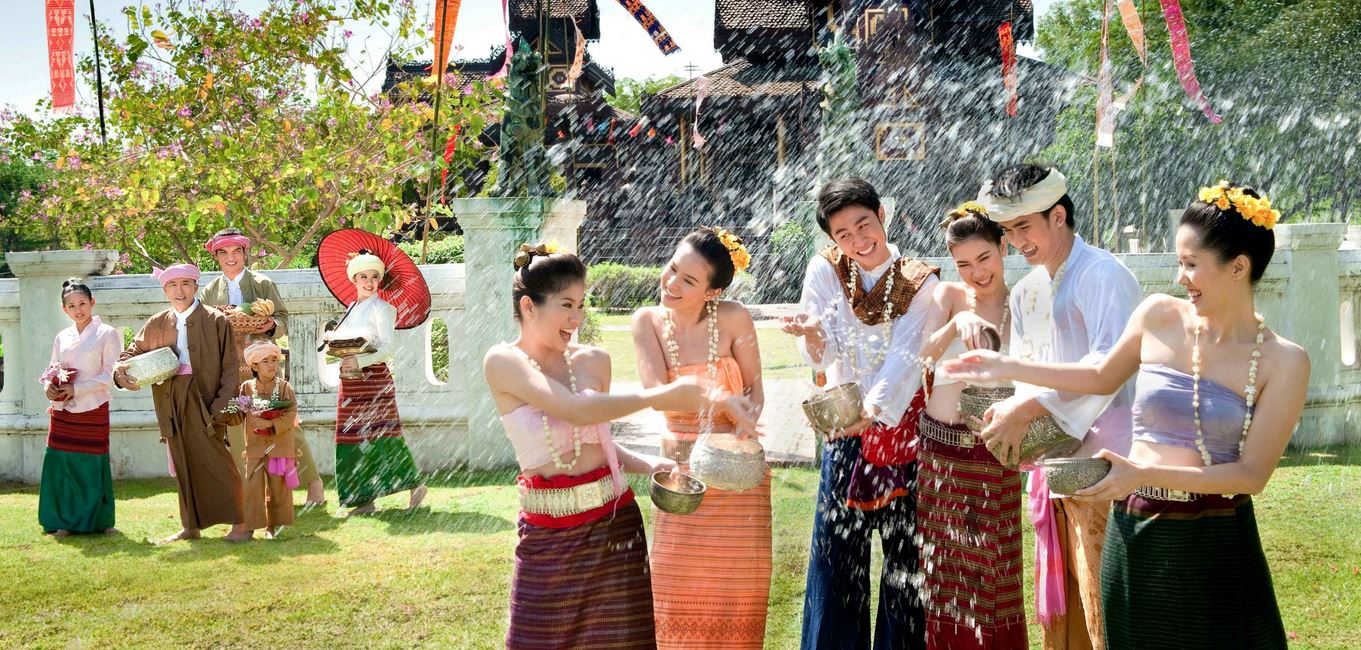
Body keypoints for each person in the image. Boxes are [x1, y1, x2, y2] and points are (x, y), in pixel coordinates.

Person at [943, 181, 1301, 648]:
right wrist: (1007, 367)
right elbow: (1099, 375)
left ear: (1238, 267)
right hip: (1135, 527)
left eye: (1192, 264)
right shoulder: (1159, 316)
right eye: (1179, 262)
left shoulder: (1283, 361)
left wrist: (1140, 472)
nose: (1180, 277)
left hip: (1217, 540)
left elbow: (1251, 475)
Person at [484, 243, 758, 650]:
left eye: (581, 305)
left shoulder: (594, 361)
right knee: (533, 640)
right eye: (566, 305)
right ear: (529, 306)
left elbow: (597, 441)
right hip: (547, 533)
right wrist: (663, 395)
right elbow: (574, 410)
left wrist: (650, 464)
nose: (577, 318)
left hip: (615, 525)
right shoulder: (504, 362)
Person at [972, 163, 1142, 649]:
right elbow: (1028, 373)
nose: (1016, 242)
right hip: (1057, 464)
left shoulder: (1103, 275)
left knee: (1108, 604)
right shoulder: (1026, 290)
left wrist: (1028, 409)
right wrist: (1007, 410)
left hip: (1110, 464)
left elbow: (1108, 370)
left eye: (1024, 227)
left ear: (1059, 216)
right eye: (1008, 231)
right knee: (1069, 609)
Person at [780, 177, 938, 650]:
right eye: (843, 234)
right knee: (835, 556)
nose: (857, 240)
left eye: (863, 224)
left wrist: (871, 414)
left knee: (905, 561)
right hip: (846, 427)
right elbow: (821, 351)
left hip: (901, 430)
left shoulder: (920, 280)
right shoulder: (826, 268)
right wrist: (810, 333)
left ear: (882, 215)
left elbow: (906, 359)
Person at [632, 227, 771, 649]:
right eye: (672, 268)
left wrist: (745, 422)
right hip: (682, 480)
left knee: (737, 599)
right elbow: (657, 395)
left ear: (713, 292)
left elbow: (756, 390)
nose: (671, 283)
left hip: (738, 476)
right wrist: (720, 400)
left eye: (688, 280)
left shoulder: (734, 317)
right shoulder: (647, 322)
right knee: (674, 592)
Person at [914, 203, 1026, 648]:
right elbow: (922, 355)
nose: (977, 273)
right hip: (941, 453)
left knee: (995, 572)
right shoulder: (948, 296)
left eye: (984, 258)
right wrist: (957, 323)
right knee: (945, 574)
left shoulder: (1024, 302)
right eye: (963, 264)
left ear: (1003, 247)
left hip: (997, 452)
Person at [114, 264, 249, 543]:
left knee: (217, 461)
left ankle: (242, 524)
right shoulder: (157, 322)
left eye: (186, 284)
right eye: (172, 285)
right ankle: (190, 526)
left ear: (196, 287)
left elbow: (230, 367)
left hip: (205, 399)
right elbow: (131, 353)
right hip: (169, 399)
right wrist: (119, 372)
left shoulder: (215, 319)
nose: (179, 290)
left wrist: (221, 407)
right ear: (165, 290)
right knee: (182, 461)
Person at [200, 227, 325, 506]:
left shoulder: (263, 283)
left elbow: (282, 320)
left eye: (236, 251)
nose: (230, 257)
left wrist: (270, 325)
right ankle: (252, 491)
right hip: (229, 372)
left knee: (283, 424)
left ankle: (313, 483)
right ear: (216, 256)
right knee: (235, 426)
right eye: (224, 252)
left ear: (245, 253)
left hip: (262, 368)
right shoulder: (209, 291)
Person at [324, 251, 426, 516]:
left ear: (380, 280)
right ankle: (364, 499)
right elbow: (350, 344)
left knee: (383, 435)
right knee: (351, 436)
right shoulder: (350, 308)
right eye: (363, 277)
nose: (369, 282)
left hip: (374, 381)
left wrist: (360, 361)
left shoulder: (383, 309)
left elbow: (387, 348)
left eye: (374, 277)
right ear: (354, 280)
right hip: (350, 381)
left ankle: (414, 485)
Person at [38, 278, 122, 536]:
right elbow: (52, 368)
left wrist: (77, 389)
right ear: (64, 310)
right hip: (63, 408)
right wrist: (48, 387)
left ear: (92, 302)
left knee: (92, 463)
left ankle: (99, 520)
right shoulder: (62, 336)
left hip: (93, 405)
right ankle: (61, 520)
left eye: (82, 303)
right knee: (61, 463)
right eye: (72, 306)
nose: (78, 310)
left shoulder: (107, 333)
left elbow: (111, 374)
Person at [238, 341, 298, 540]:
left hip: (279, 446)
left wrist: (271, 424)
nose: (272, 365)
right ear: (254, 366)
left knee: (278, 487)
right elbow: (240, 410)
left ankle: (274, 527)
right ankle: (250, 527)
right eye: (266, 361)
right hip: (255, 446)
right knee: (252, 486)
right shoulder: (246, 387)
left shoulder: (284, 387)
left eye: (274, 360)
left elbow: (291, 412)